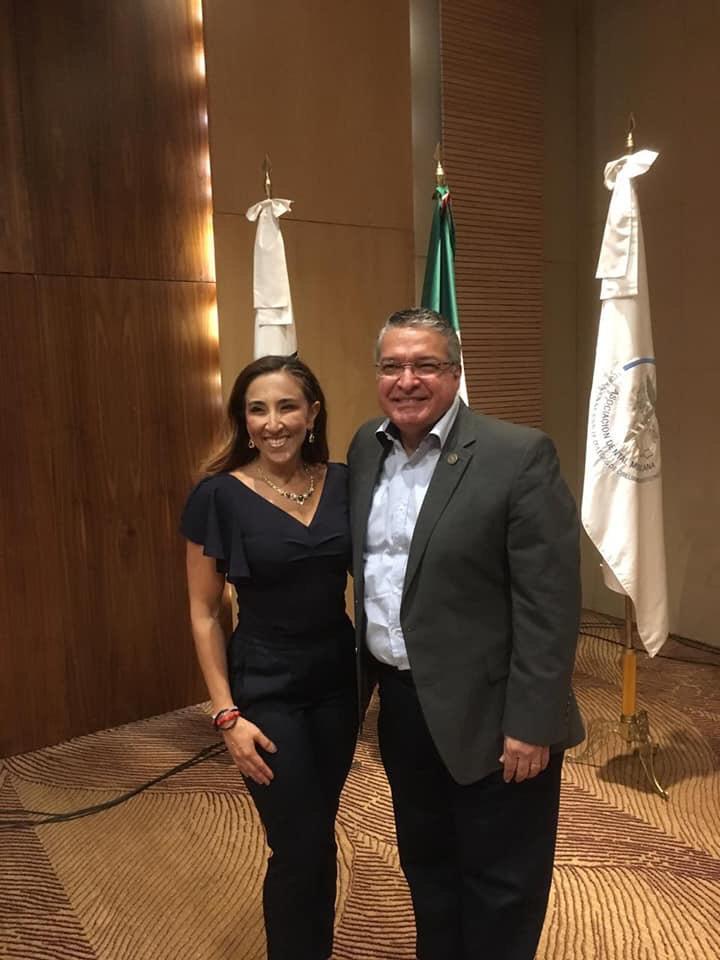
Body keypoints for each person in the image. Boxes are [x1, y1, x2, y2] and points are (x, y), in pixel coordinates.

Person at [347, 308, 584, 960]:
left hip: (495, 715)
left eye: (425, 365)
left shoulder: (517, 455)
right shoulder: (366, 447)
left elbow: (549, 604)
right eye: (392, 366)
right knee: (428, 868)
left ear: (454, 373)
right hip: (403, 707)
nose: (407, 380)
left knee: (501, 885)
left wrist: (532, 721)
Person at [181, 355, 357, 960]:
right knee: (297, 843)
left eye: (286, 406)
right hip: (265, 684)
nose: (272, 422)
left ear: (313, 413)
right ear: (243, 420)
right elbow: (205, 612)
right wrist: (224, 713)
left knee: (319, 832)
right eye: (257, 409)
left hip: (339, 682)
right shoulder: (217, 495)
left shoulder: (344, 482)